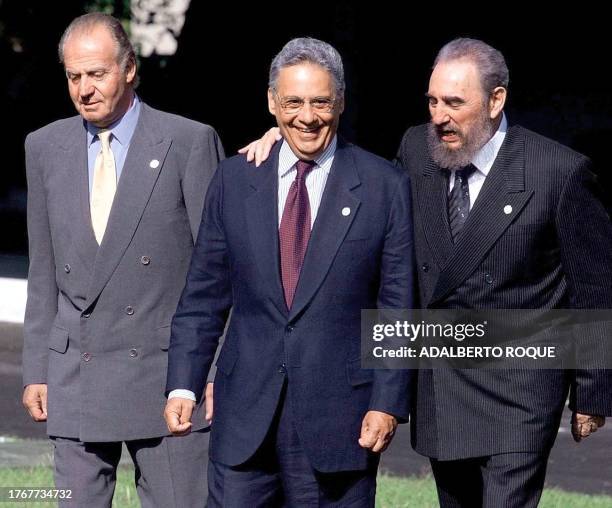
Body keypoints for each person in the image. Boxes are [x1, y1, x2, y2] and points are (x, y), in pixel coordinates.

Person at [242, 37, 612, 508]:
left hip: (521, 386)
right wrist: (287, 143)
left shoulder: (557, 171)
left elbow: (595, 285)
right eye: (433, 101)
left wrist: (593, 390)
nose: (440, 116)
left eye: (455, 103)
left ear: (496, 100)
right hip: (441, 382)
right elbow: (363, 189)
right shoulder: (417, 148)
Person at [164, 37, 414, 507]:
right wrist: (184, 382)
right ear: (272, 103)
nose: (307, 116)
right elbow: (204, 295)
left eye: (321, 102)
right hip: (243, 418)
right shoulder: (234, 179)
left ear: (340, 102)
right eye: (293, 101)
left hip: (341, 420)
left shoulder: (384, 186)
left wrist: (387, 402)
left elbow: (397, 307)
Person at [22, 12, 223, 507]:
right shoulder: (44, 147)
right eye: (74, 76)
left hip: (168, 379)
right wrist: (36, 369)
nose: (84, 89)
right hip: (76, 378)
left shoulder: (188, 142)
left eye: (98, 74)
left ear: (130, 69)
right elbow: (43, 269)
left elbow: (219, 272)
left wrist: (214, 370)